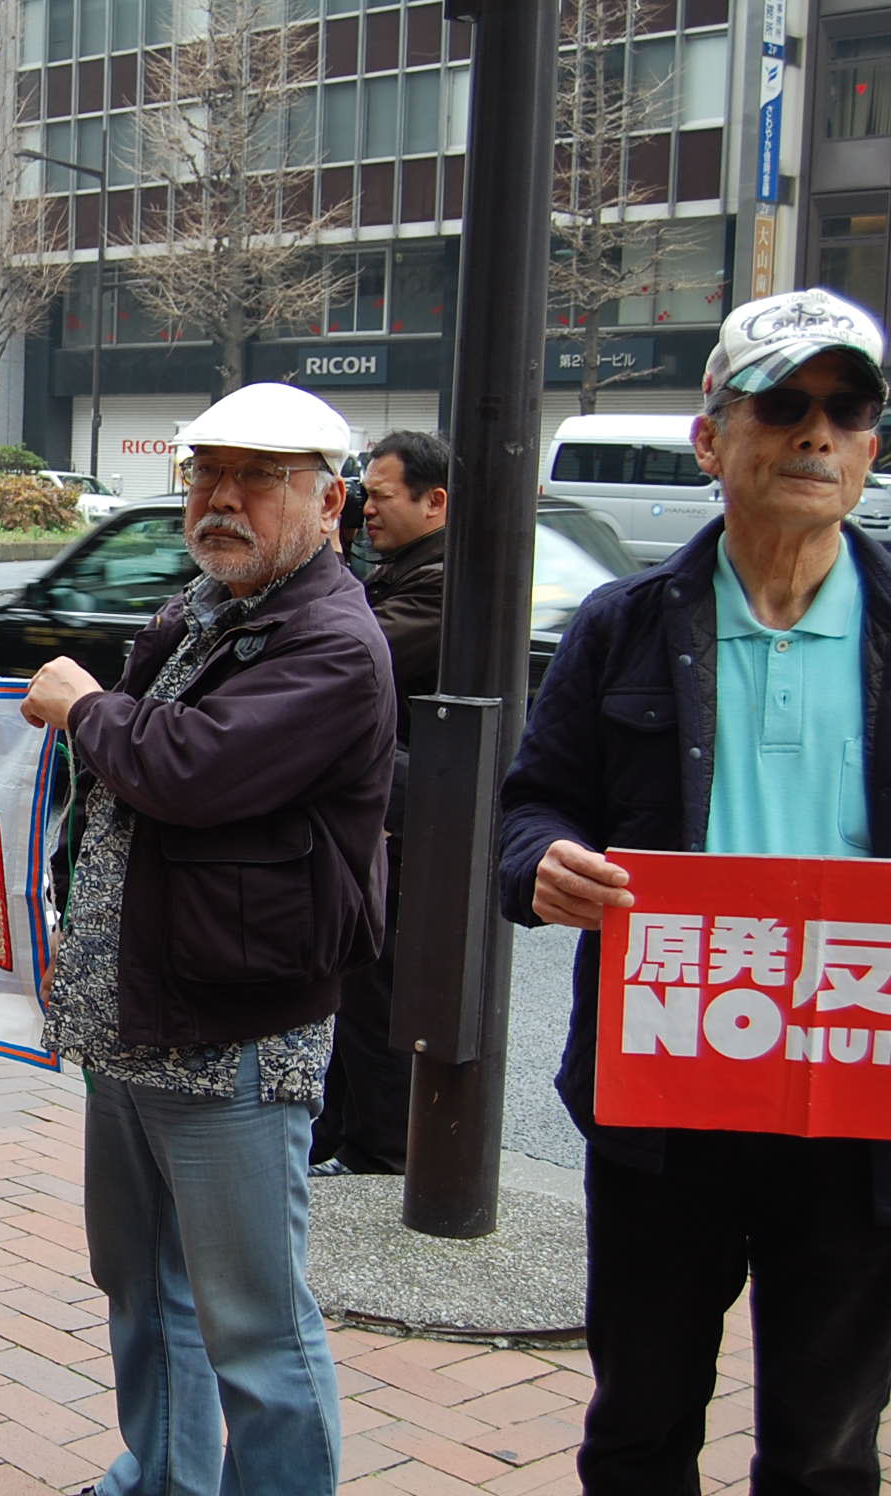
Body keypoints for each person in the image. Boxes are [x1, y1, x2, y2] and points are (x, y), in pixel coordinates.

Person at [497, 287, 891, 1491]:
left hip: (860, 1104)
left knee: (826, 1446)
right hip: (667, 1098)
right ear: (713, 435)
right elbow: (530, 805)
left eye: (848, 406)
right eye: (782, 404)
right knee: (640, 1422)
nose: (815, 434)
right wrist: (543, 866)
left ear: (873, 440)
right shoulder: (621, 626)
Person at [20, 382, 395, 1494]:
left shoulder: (333, 642)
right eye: (206, 473)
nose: (222, 499)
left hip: (234, 1027)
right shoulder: (206, 609)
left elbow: (187, 768)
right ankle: (166, 1473)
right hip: (133, 1013)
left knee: (255, 1326)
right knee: (140, 1282)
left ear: (330, 502)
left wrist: (85, 706)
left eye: (259, 478)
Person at [313, 428, 450, 1177]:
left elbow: (350, 661)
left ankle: (379, 1154)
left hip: (409, 821)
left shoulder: (438, 583)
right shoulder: (402, 571)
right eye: (363, 496)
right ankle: (340, 1137)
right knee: (357, 984)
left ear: (437, 503)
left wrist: (329, 563)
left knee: (380, 991)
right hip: (392, 817)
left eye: (383, 497)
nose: (367, 511)